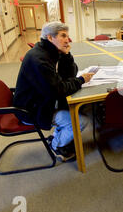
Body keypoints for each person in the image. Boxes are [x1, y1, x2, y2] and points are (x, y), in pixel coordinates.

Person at [14, 21, 95, 162]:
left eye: (67, 36)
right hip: (31, 109)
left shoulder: (48, 52)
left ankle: (58, 135)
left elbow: (69, 75)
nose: (67, 40)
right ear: (50, 37)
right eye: (63, 36)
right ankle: (56, 145)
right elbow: (59, 90)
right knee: (81, 120)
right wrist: (81, 80)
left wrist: (66, 55)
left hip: (41, 100)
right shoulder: (39, 60)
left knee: (74, 107)